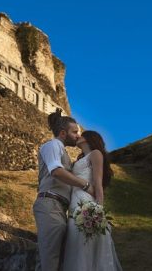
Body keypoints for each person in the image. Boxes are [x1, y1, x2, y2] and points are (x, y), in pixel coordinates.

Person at [33, 109, 94, 271]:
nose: (77, 135)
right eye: (74, 132)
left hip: (59, 207)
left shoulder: (62, 150)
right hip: (50, 204)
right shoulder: (52, 145)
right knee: (50, 258)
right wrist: (86, 185)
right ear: (62, 133)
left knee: (59, 260)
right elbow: (56, 171)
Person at [63, 130, 123, 271]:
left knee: (85, 245)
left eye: (81, 134)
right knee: (75, 243)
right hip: (73, 203)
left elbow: (98, 183)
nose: (77, 136)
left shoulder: (96, 154)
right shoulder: (80, 159)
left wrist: (98, 210)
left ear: (88, 138)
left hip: (86, 203)